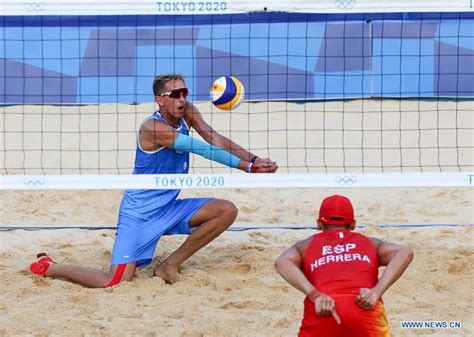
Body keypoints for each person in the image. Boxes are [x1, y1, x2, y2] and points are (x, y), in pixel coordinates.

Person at [30, 73, 278, 287]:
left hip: (169, 208)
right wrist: (247, 167)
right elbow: (200, 148)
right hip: (140, 213)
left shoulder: (188, 112)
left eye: (185, 92)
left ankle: (168, 266)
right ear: (160, 100)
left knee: (226, 210)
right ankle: (50, 267)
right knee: (114, 281)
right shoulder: (152, 128)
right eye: (175, 94)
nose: (182, 98)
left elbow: (214, 138)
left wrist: (254, 159)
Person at [274, 194, 413, 337]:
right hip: (365, 308)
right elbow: (405, 252)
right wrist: (376, 292)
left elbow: (281, 262)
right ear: (352, 224)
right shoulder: (370, 244)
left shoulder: (305, 246)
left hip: (323, 308)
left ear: (319, 224)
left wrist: (315, 295)